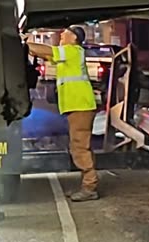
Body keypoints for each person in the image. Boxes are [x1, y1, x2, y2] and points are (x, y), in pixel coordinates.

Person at [26, 26, 99, 201]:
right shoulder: (69, 53)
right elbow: (47, 54)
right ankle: (87, 184)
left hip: (81, 105)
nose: (61, 35)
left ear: (74, 38)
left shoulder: (73, 51)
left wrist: (23, 42)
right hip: (77, 105)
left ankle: (90, 187)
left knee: (80, 146)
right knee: (77, 146)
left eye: (65, 33)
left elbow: (46, 50)